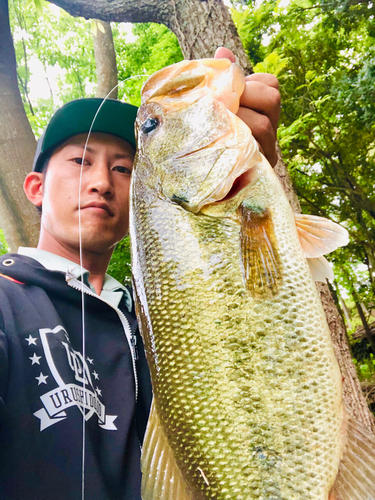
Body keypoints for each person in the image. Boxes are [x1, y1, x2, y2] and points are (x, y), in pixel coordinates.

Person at [0, 48, 281, 500]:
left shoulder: (166, 320)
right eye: (80, 162)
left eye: (124, 168)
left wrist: (252, 184)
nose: (101, 182)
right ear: (34, 187)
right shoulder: (6, 300)